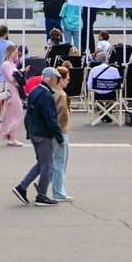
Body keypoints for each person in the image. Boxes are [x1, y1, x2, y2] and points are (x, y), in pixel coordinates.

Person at [12, 67, 65, 207]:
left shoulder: (35, 90)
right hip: (43, 134)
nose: (57, 81)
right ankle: (41, 195)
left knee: (40, 163)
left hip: (35, 132)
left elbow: (28, 114)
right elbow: (51, 119)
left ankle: (22, 187)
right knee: (47, 165)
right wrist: (59, 138)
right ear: (52, 80)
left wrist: (29, 131)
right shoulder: (47, 96)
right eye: (56, 79)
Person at [50, 63, 74, 201]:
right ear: (61, 79)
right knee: (60, 162)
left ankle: (44, 181)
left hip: (55, 130)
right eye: (67, 79)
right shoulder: (61, 95)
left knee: (54, 161)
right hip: (61, 131)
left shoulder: (52, 92)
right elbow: (61, 116)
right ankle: (58, 191)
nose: (68, 81)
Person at [0, 43, 25, 147]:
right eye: (15, 52)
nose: (17, 54)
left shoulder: (10, 63)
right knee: (18, 114)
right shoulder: (7, 64)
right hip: (13, 90)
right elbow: (12, 78)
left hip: (12, 89)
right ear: (10, 52)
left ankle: (11, 136)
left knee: (12, 114)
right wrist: (20, 73)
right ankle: (11, 136)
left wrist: (21, 72)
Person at [87, 52, 121, 122]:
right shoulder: (114, 70)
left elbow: (89, 85)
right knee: (113, 91)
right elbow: (120, 85)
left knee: (94, 92)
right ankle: (107, 114)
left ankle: (103, 113)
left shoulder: (93, 70)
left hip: (97, 95)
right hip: (111, 95)